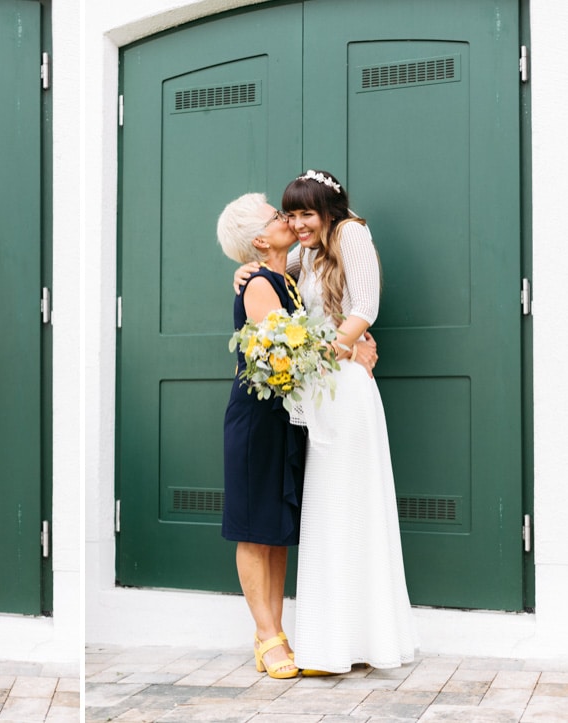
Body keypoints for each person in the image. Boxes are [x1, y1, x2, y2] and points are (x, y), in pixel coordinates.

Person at [237, 170, 415, 674]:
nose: (296, 224)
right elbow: (272, 271)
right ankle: (330, 641)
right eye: (289, 215)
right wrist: (244, 271)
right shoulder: (305, 250)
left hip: (345, 389)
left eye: (305, 214)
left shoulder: (351, 234)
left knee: (349, 504)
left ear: (329, 211)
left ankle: (362, 639)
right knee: (324, 510)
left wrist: (342, 347)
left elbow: (366, 306)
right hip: (319, 394)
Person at [216, 193, 307, 679]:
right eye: (278, 216)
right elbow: (283, 354)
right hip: (256, 417)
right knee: (255, 529)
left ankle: (275, 631)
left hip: (282, 417)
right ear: (259, 239)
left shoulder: (285, 277)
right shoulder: (258, 284)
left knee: (275, 531)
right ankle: (267, 636)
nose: (287, 218)